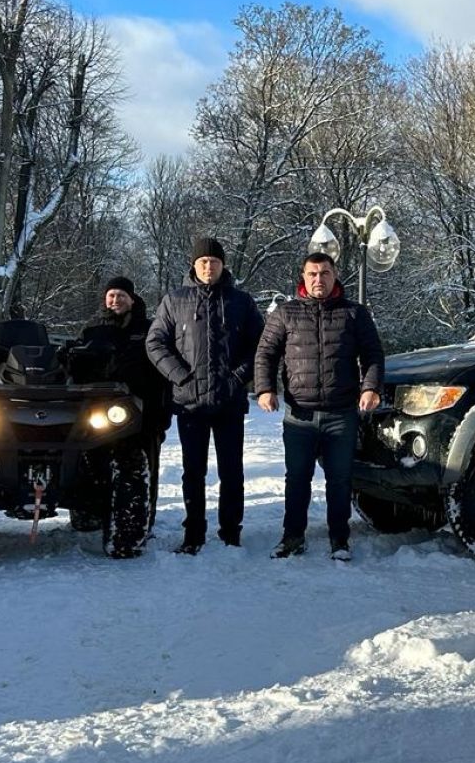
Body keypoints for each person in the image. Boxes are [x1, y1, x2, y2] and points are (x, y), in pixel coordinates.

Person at [253, 252, 384, 561]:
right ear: (303, 276)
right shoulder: (286, 314)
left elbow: (373, 354)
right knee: (297, 478)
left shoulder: (354, 314)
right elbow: (265, 354)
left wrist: (370, 387)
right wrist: (265, 389)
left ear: (334, 275)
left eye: (324, 273)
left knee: (340, 480)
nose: (318, 279)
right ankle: (292, 537)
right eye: (312, 273)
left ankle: (339, 539)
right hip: (299, 415)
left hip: (341, 414)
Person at [146, 237, 264, 554]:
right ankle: (193, 533)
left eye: (214, 261)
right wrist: (181, 376)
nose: (208, 266)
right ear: (194, 265)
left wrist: (239, 377)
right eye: (203, 261)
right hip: (190, 404)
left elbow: (261, 346)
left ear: (223, 265)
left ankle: (230, 532)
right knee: (193, 473)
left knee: (232, 472)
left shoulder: (241, 302)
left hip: (229, 402)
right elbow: (155, 343)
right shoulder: (174, 301)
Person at [78, 276, 170, 532]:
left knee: (142, 467)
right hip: (96, 411)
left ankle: (141, 523)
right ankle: (88, 515)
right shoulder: (92, 330)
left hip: (143, 410)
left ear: (131, 299)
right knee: (91, 463)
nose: (115, 300)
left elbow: (162, 373)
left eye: (121, 295)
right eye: (111, 296)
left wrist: (161, 412)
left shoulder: (149, 329)